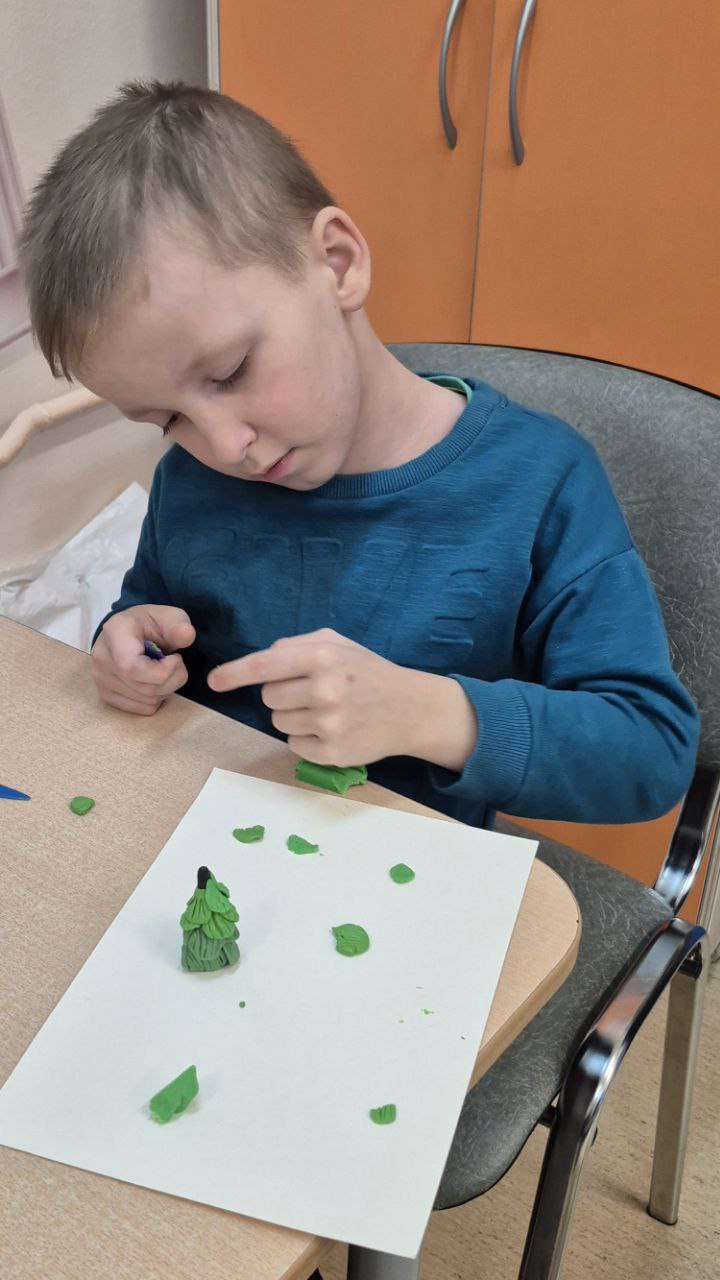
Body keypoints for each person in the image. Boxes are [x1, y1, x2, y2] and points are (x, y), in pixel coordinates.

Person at [20, 81, 699, 840]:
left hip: (399, 866)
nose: (223, 445)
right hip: (209, 837)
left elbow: (650, 751)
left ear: (338, 264)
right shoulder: (192, 477)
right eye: (168, 419)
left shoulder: (542, 483)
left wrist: (430, 714)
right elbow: (149, 611)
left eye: (231, 371)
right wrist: (127, 641)